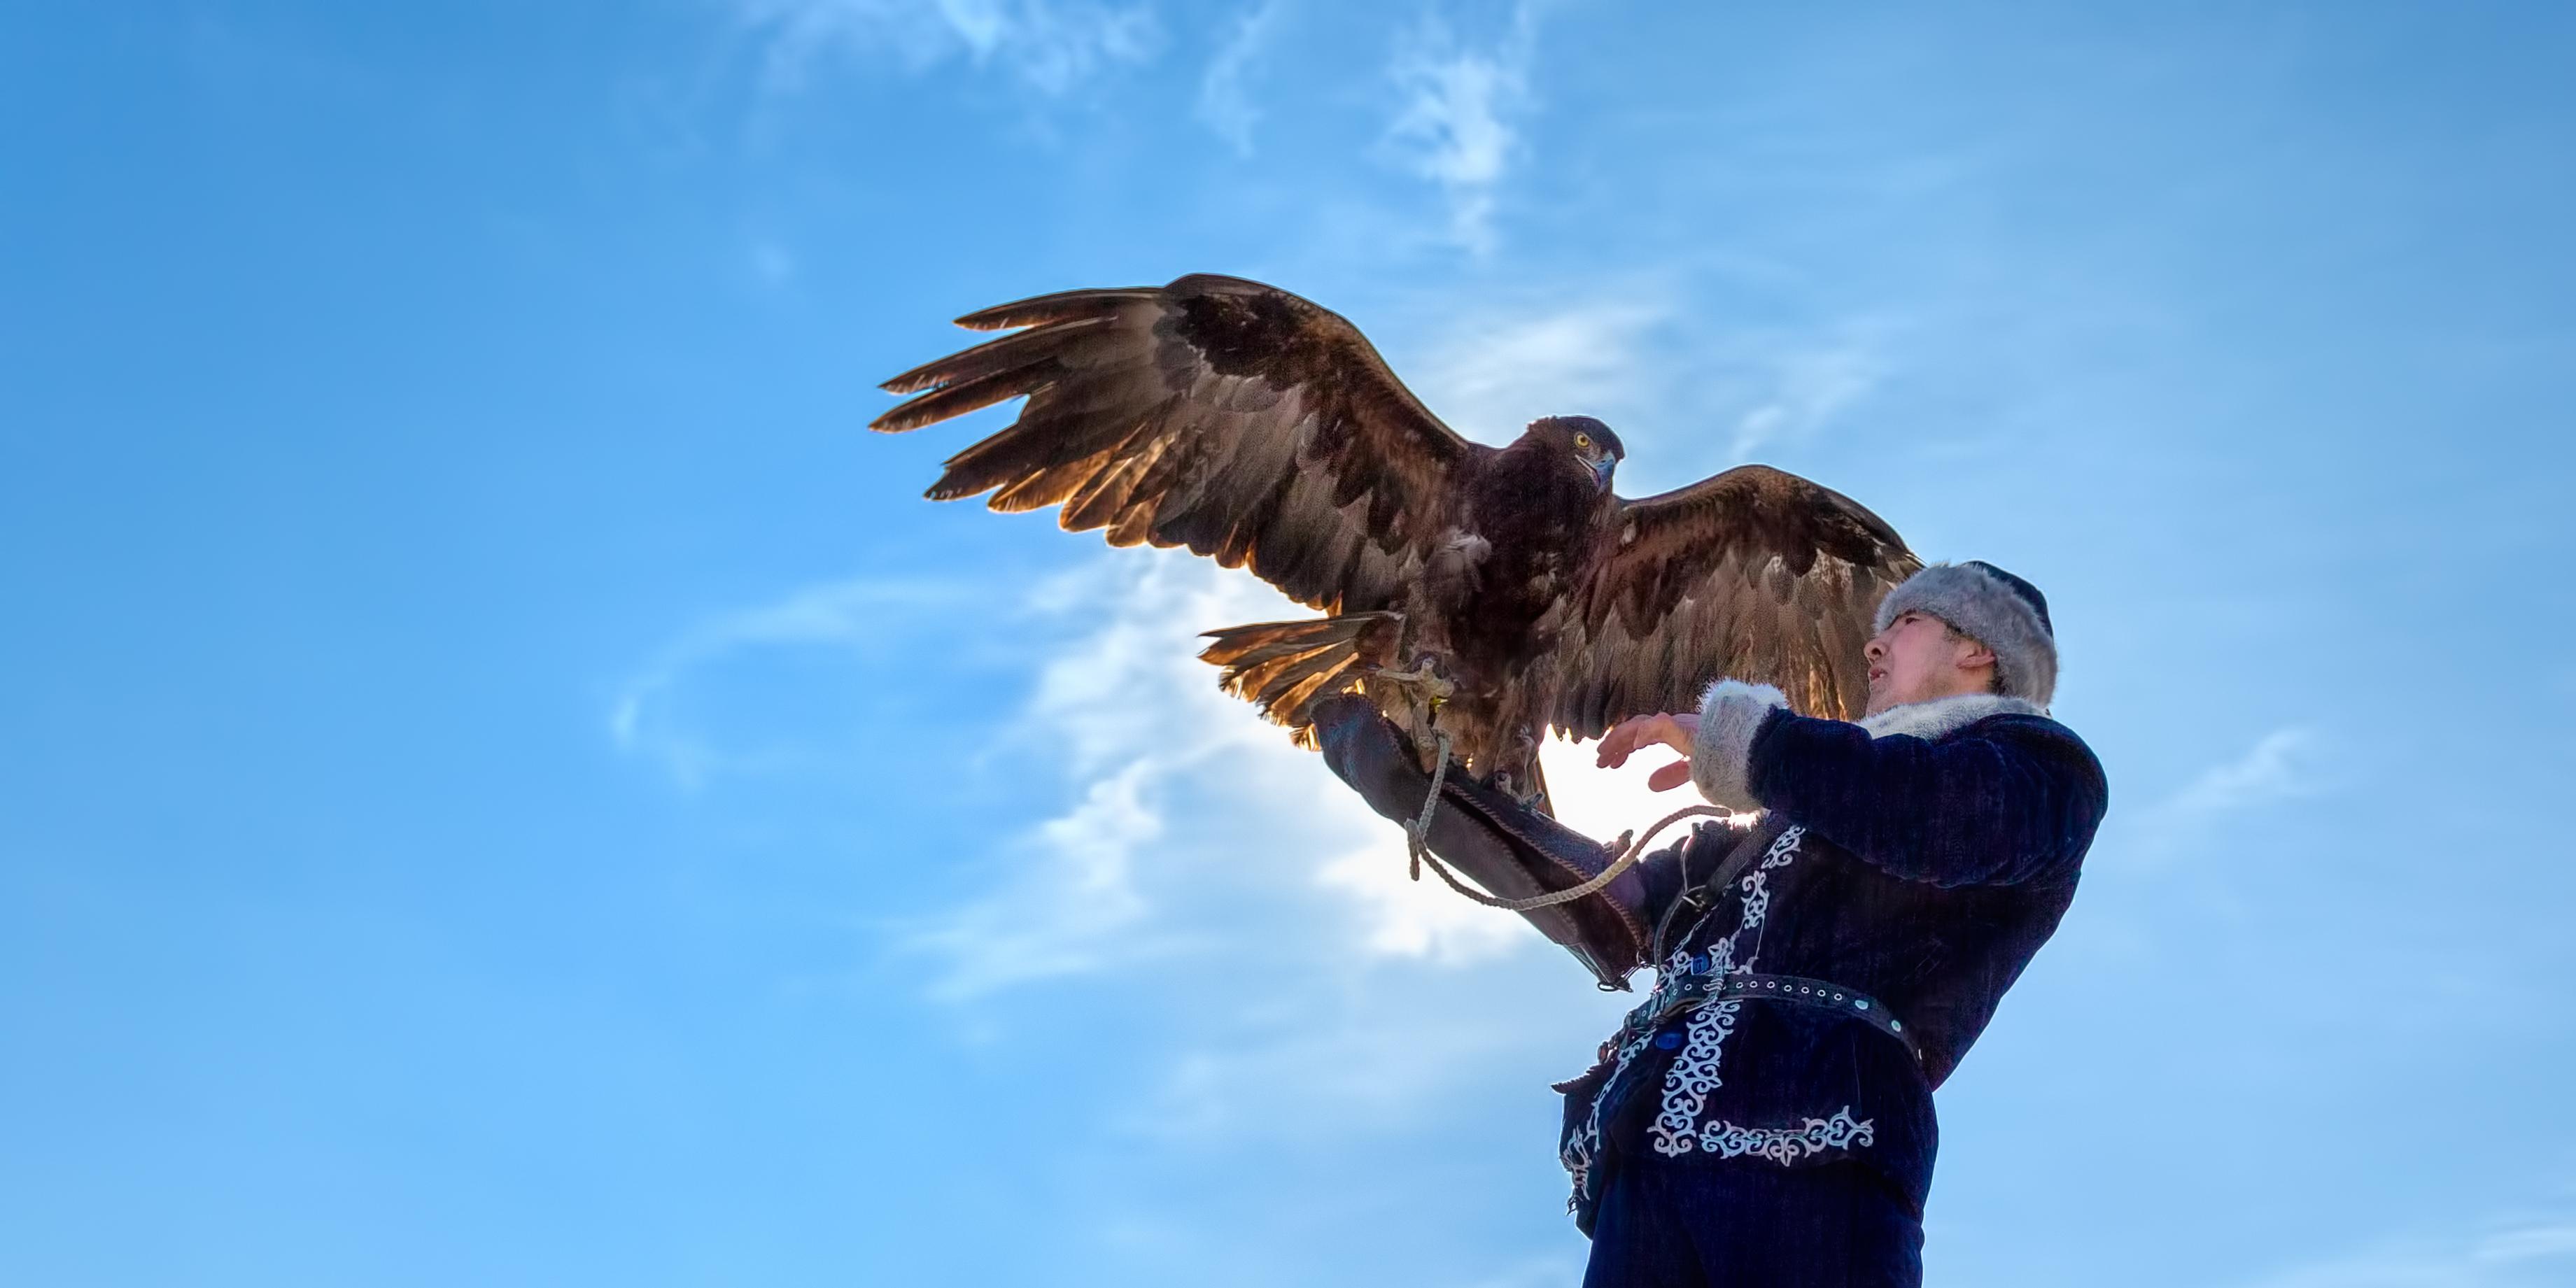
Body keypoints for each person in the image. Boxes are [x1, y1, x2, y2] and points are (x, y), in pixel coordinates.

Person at [1313, 560, 2109, 1288]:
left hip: (1819, 1152)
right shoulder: (1785, 825)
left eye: (1907, 624)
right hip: (1650, 1162)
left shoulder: (2042, 769)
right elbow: (1612, 904)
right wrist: (1435, 794)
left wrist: (1752, 743)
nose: (1873, 645)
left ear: (1978, 652)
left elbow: (1935, 815)